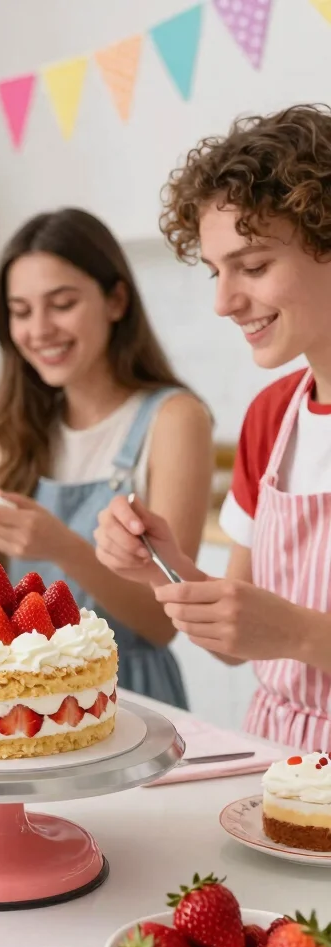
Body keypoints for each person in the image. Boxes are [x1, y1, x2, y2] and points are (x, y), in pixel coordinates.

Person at [94, 105, 331, 750]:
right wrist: (166, 567)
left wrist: (300, 633)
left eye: (252, 267)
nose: (223, 302)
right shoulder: (273, 419)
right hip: (281, 760)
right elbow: (239, 639)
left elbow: (284, 632)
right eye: (216, 272)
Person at [0, 208, 213, 708]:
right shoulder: (20, 421)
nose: (40, 329)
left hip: (130, 697)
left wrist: (64, 547)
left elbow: (163, 623)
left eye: (62, 304)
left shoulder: (175, 419)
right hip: (26, 699)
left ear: (116, 300)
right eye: (21, 311)